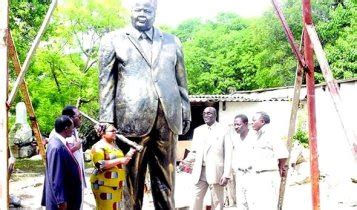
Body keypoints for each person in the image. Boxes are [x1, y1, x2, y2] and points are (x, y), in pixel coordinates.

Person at [98, 0, 191, 209]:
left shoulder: (172, 41)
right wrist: (106, 119)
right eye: (138, 9)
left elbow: (181, 81)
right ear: (130, 10)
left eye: (147, 10)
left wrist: (185, 111)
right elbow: (106, 83)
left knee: (166, 180)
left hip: (167, 118)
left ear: (155, 12)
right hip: (129, 119)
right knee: (131, 182)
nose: (143, 14)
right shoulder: (112, 40)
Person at [187, 107, 232, 210]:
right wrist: (184, 163)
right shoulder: (198, 131)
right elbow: (194, 152)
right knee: (195, 199)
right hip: (199, 171)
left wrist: (226, 174)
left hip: (217, 172)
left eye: (209, 113)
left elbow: (229, 153)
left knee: (217, 202)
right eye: (204, 113)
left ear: (215, 115)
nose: (206, 115)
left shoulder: (224, 130)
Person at [90, 123, 136, 209]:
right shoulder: (98, 147)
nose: (115, 132)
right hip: (103, 185)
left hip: (116, 185)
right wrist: (120, 160)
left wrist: (131, 152)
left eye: (115, 130)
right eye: (112, 131)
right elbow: (100, 165)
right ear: (103, 133)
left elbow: (121, 162)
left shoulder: (114, 145)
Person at [249, 111, 288, 210]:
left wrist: (281, 167)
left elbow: (283, 153)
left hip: (268, 175)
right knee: (259, 205)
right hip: (257, 175)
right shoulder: (256, 135)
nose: (252, 123)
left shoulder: (271, 133)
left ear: (262, 121)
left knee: (268, 204)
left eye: (254, 121)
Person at [42, 115, 82, 210]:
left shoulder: (59, 143)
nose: (73, 130)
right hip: (65, 200)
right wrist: (61, 201)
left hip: (69, 196)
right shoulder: (57, 147)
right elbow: (56, 176)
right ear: (66, 129)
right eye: (72, 127)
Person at [49, 105, 86, 208]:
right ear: (70, 117)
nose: (80, 119)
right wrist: (75, 148)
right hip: (67, 185)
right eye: (79, 116)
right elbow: (56, 155)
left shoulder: (74, 132)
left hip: (76, 182)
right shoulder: (56, 133)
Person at [226, 114, 254, 210]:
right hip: (239, 174)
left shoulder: (254, 137)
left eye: (238, 124)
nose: (235, 127)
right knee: (241, 202)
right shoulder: (235, 139)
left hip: (253, 174)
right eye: (234, 125)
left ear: (246, 124)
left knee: (253, 201)